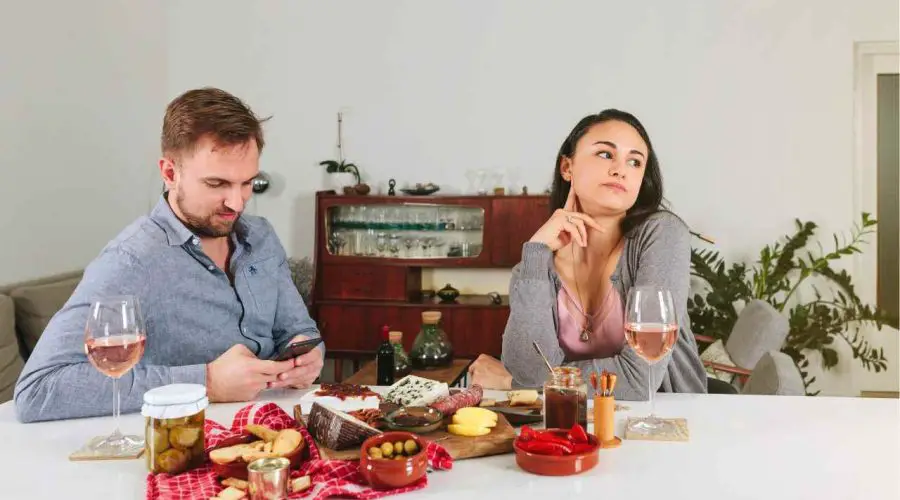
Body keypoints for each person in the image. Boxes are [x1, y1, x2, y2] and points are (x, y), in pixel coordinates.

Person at [14, 88, 325, 423]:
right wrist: (207, 382)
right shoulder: (131, 260)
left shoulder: (261, 237)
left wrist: (309, 355)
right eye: (216, 184)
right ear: (170, 173)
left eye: (247, 183)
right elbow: (38, 390)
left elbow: (298, 329)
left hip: (282, 431)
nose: (236, 203)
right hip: (190, 443)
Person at [468, 109, 706, 399]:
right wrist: (536, 251)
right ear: (567, 167)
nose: (620, 169)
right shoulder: (534, 268)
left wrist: (520, 384)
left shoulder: (661, 233)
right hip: (576, 419)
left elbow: (638, 379)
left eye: (634, 161)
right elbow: (528, 370)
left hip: (667, 414)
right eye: (605, 154)